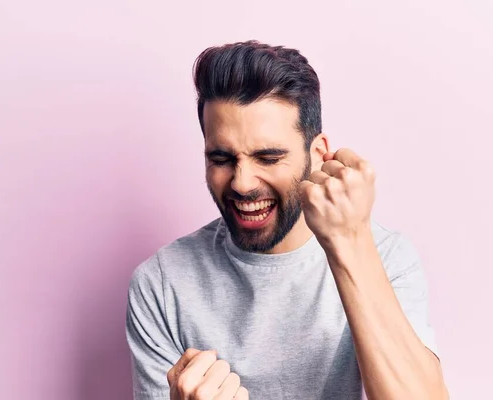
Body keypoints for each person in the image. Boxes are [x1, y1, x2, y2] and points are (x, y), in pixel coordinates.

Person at [125, 40, 448, 400]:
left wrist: (348, 243)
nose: (242, 182)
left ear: (318, 155)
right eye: (221, 158)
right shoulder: (162, 283)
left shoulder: (385, 257)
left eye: (268, 157)